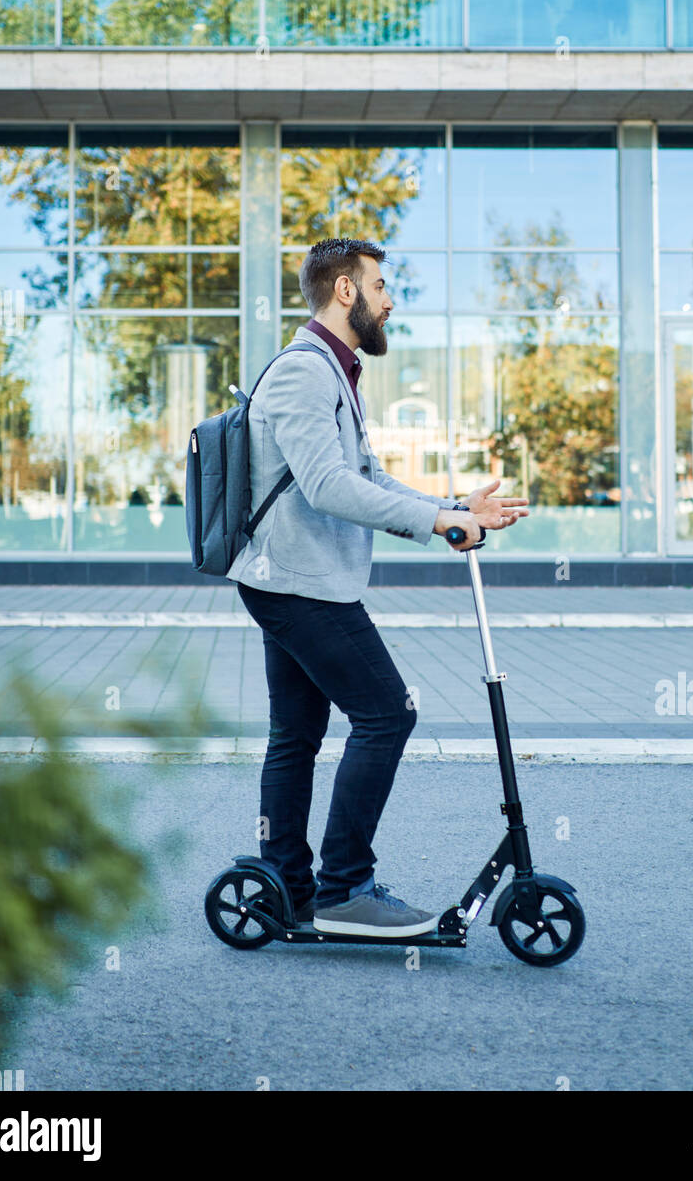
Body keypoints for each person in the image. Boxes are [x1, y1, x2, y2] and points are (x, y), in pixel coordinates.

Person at [228, 236, 529, 937]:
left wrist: (451, 509)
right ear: (345, 292)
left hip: (297, 580)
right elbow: (328, 487)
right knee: (388, 713)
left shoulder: (334, 370)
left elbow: (364, 477)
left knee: (294, 735)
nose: (389, 301)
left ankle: (289, 887)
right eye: (382, 286)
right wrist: (436, 520)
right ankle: (344, 888)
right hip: (297, 585)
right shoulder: (307, 373)